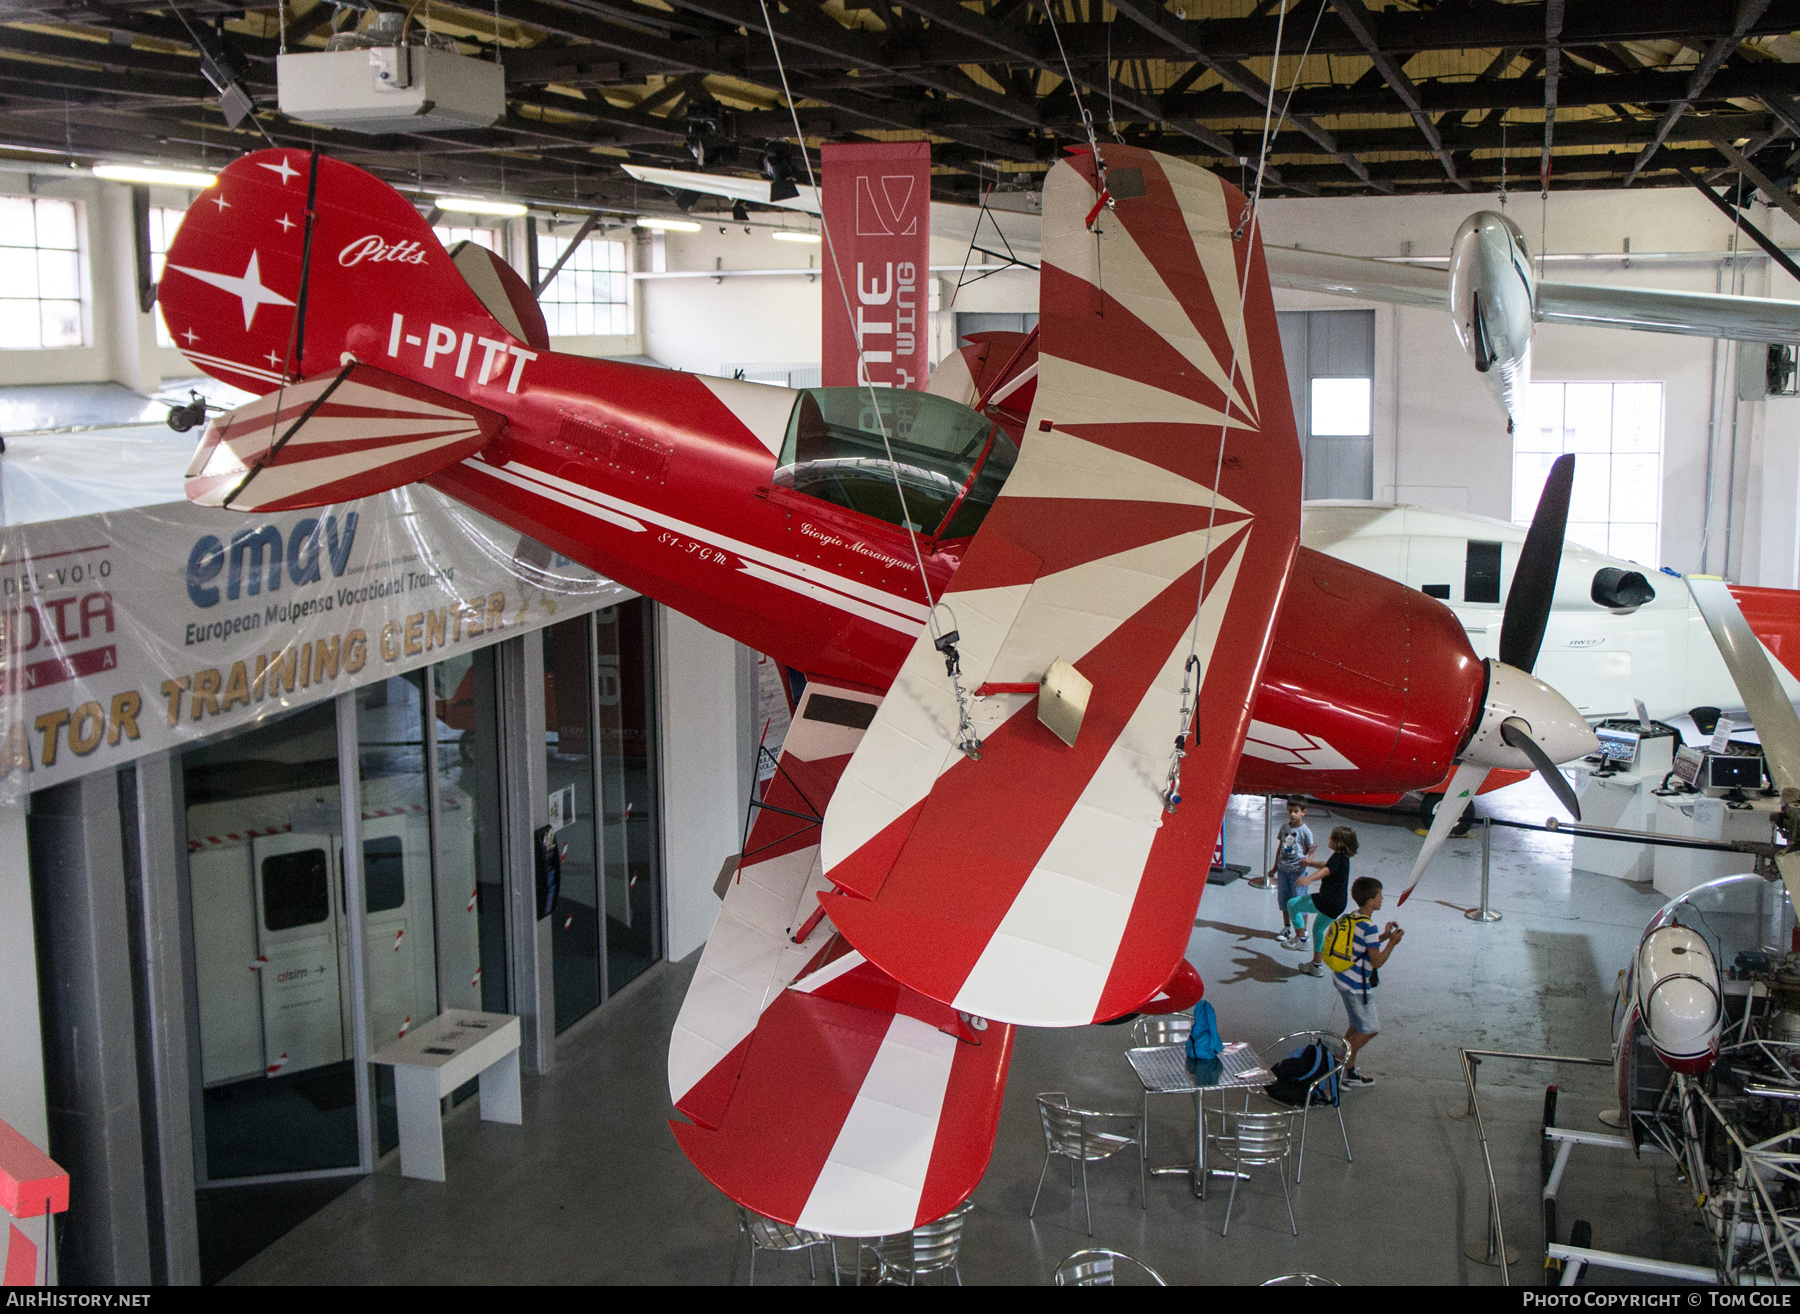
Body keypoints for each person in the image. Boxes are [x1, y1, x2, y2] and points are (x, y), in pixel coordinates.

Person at [1331, 875, 1403, 1086]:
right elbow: (1377, 961)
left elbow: (1365, 944)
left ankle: (1348, 1070)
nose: (1382, 898)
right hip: (1356, 986)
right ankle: (1338, 1065)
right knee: (1369, 1028)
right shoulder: (1368, 926)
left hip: (1342, 979)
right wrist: (1393, 943)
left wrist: (1384, 936)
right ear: (1370, 900)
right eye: (1379, 895)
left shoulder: (1354, 917)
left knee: (1357, 1024)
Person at [1288, 824, 1357, 975]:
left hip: (1327, 900)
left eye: (1332, 837)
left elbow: (1326, 870)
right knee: (1318, 929)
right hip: (1339, 904)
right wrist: (1309, 863)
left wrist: (1309, 879)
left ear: (1339, 842)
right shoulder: (1342, 858)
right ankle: (1316, 965)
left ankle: (1300, 939)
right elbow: (1326, 865)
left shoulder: (1338, 857)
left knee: (1292, 904)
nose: (1329, 838)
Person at [1266, 797, 1314, 948]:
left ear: (1303, 812)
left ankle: (1302, 932)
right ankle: (1287, 928)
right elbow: (1280, 847)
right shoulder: (1285, 828)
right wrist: (1274, 868)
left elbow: (1311, 850)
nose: (1292, 814)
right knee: (1285, 900)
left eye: (1296, 811)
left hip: (1297, 872)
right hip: (1283, 870)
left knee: (1299, 902)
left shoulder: (1306, 831)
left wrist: (1308, 862)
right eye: (1290, 811)